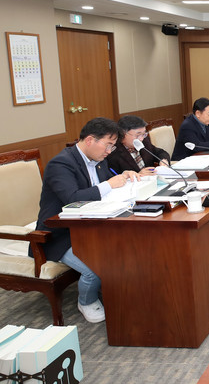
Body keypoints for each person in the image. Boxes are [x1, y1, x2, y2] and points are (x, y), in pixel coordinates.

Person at [34, 118, 139, 323]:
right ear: (90, 140)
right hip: (59, 233)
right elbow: (72, 198)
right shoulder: (61, 163)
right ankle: (86, 301)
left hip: (91, 226)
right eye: (108, 145)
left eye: (113, 146)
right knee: (95, 267)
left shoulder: (99, 160)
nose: (109, 151)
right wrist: (110, 184)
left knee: (127, 248)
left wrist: (123, 176)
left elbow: (107, 185)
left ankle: (120, 291)